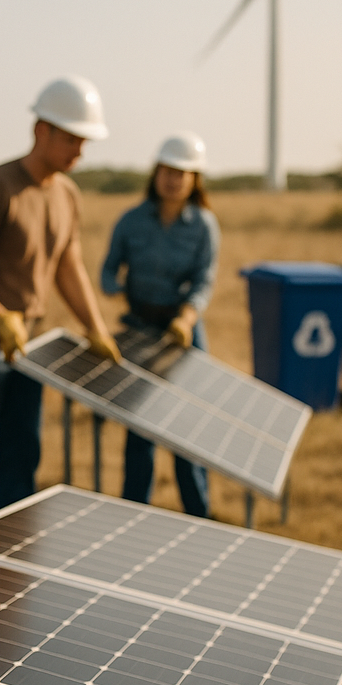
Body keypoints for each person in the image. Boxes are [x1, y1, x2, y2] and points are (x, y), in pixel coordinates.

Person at [0, 75, 121, 513]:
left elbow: (68, 265)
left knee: (22, 452)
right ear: (42, 130)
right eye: (72, 138)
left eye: (84, 141)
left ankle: (4, 555)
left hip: (30, 346)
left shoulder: (67, 194)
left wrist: (95, 328)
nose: (79, 150)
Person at [100, 131, 220, 518]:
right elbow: (107, 270)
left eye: (183, 173)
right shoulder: (131, 221)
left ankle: (199, 516)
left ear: (194, 180)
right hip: (139, 329)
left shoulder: (204, 226)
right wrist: (114, 288)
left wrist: (186, 317)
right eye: (167, 170)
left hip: (182, 333)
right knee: (140, 429)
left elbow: (204, 281)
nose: (174, 179)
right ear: (155, 173)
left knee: (187, 432)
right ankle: (135, 515)